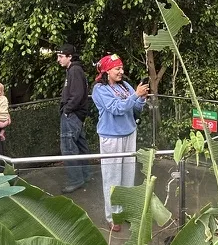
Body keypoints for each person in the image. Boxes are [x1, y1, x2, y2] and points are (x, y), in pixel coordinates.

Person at [92, 54, 149, 232]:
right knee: (112, 177)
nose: (121, 71)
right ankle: (113, 216)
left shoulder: (125, 85)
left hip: (129, 133)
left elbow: (136, 108)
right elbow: (116, 109)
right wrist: (135, 96)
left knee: (128, 175)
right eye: (117, 68)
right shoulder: (99, 90)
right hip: (111, 137)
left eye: (121, 68)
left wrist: (141, 98)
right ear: (106, 71)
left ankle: (126, 211)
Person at [56, 44, 93, 194]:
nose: (58, 60)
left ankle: (76, 180)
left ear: (69, 56)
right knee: (80, 145)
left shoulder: (75, 70)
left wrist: (67, 110)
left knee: (68, 148)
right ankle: (86, 175)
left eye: (61, 56)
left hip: (72, 114)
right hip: (76, 114)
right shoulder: (74, 70)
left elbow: (77, 94)